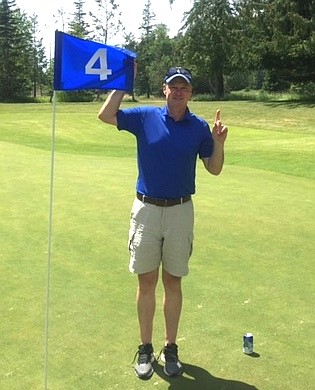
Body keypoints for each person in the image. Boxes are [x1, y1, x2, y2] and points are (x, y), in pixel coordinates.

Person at [98, 66, 228, 379]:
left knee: (173, 281)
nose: (179, 92)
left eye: (185, 87)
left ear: (191, 93)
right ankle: (145, 348)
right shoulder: (145, 117)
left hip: (181, 211)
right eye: (174, 87)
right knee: (146, 282)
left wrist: (218, 142)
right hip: (146, 210)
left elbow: (214, 168)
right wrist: (122, 83)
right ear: (164, 90)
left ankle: (170, 348)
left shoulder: (198, 128)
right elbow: (105, 115)